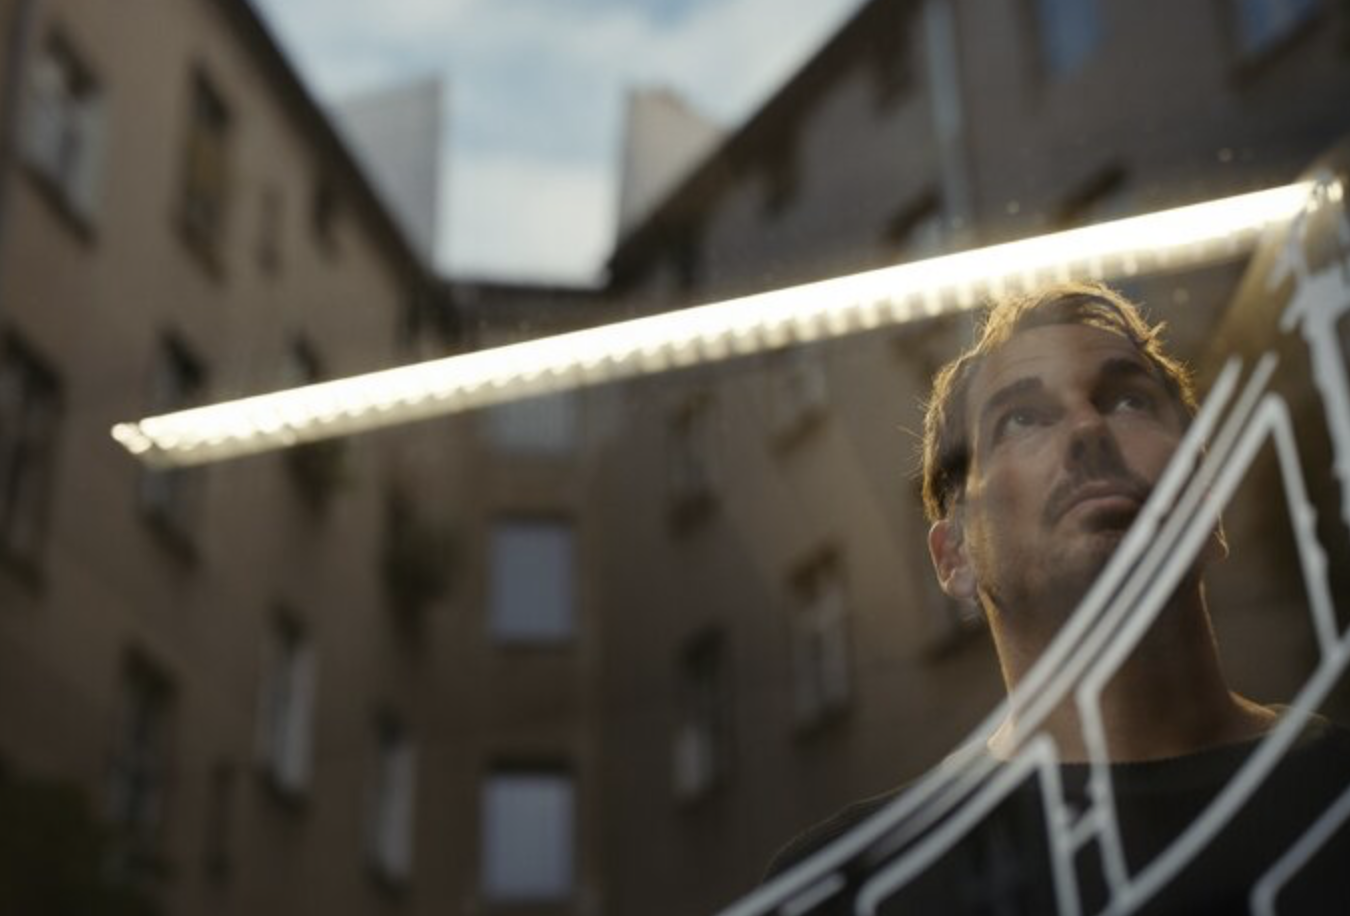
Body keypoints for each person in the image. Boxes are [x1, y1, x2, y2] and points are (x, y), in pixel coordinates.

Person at [765, 283, 1350, 914]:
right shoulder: (850, 889)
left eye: (1129, 400)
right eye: (1022, 419)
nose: (1089, 428)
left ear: (1210, 509)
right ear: (953, 555)